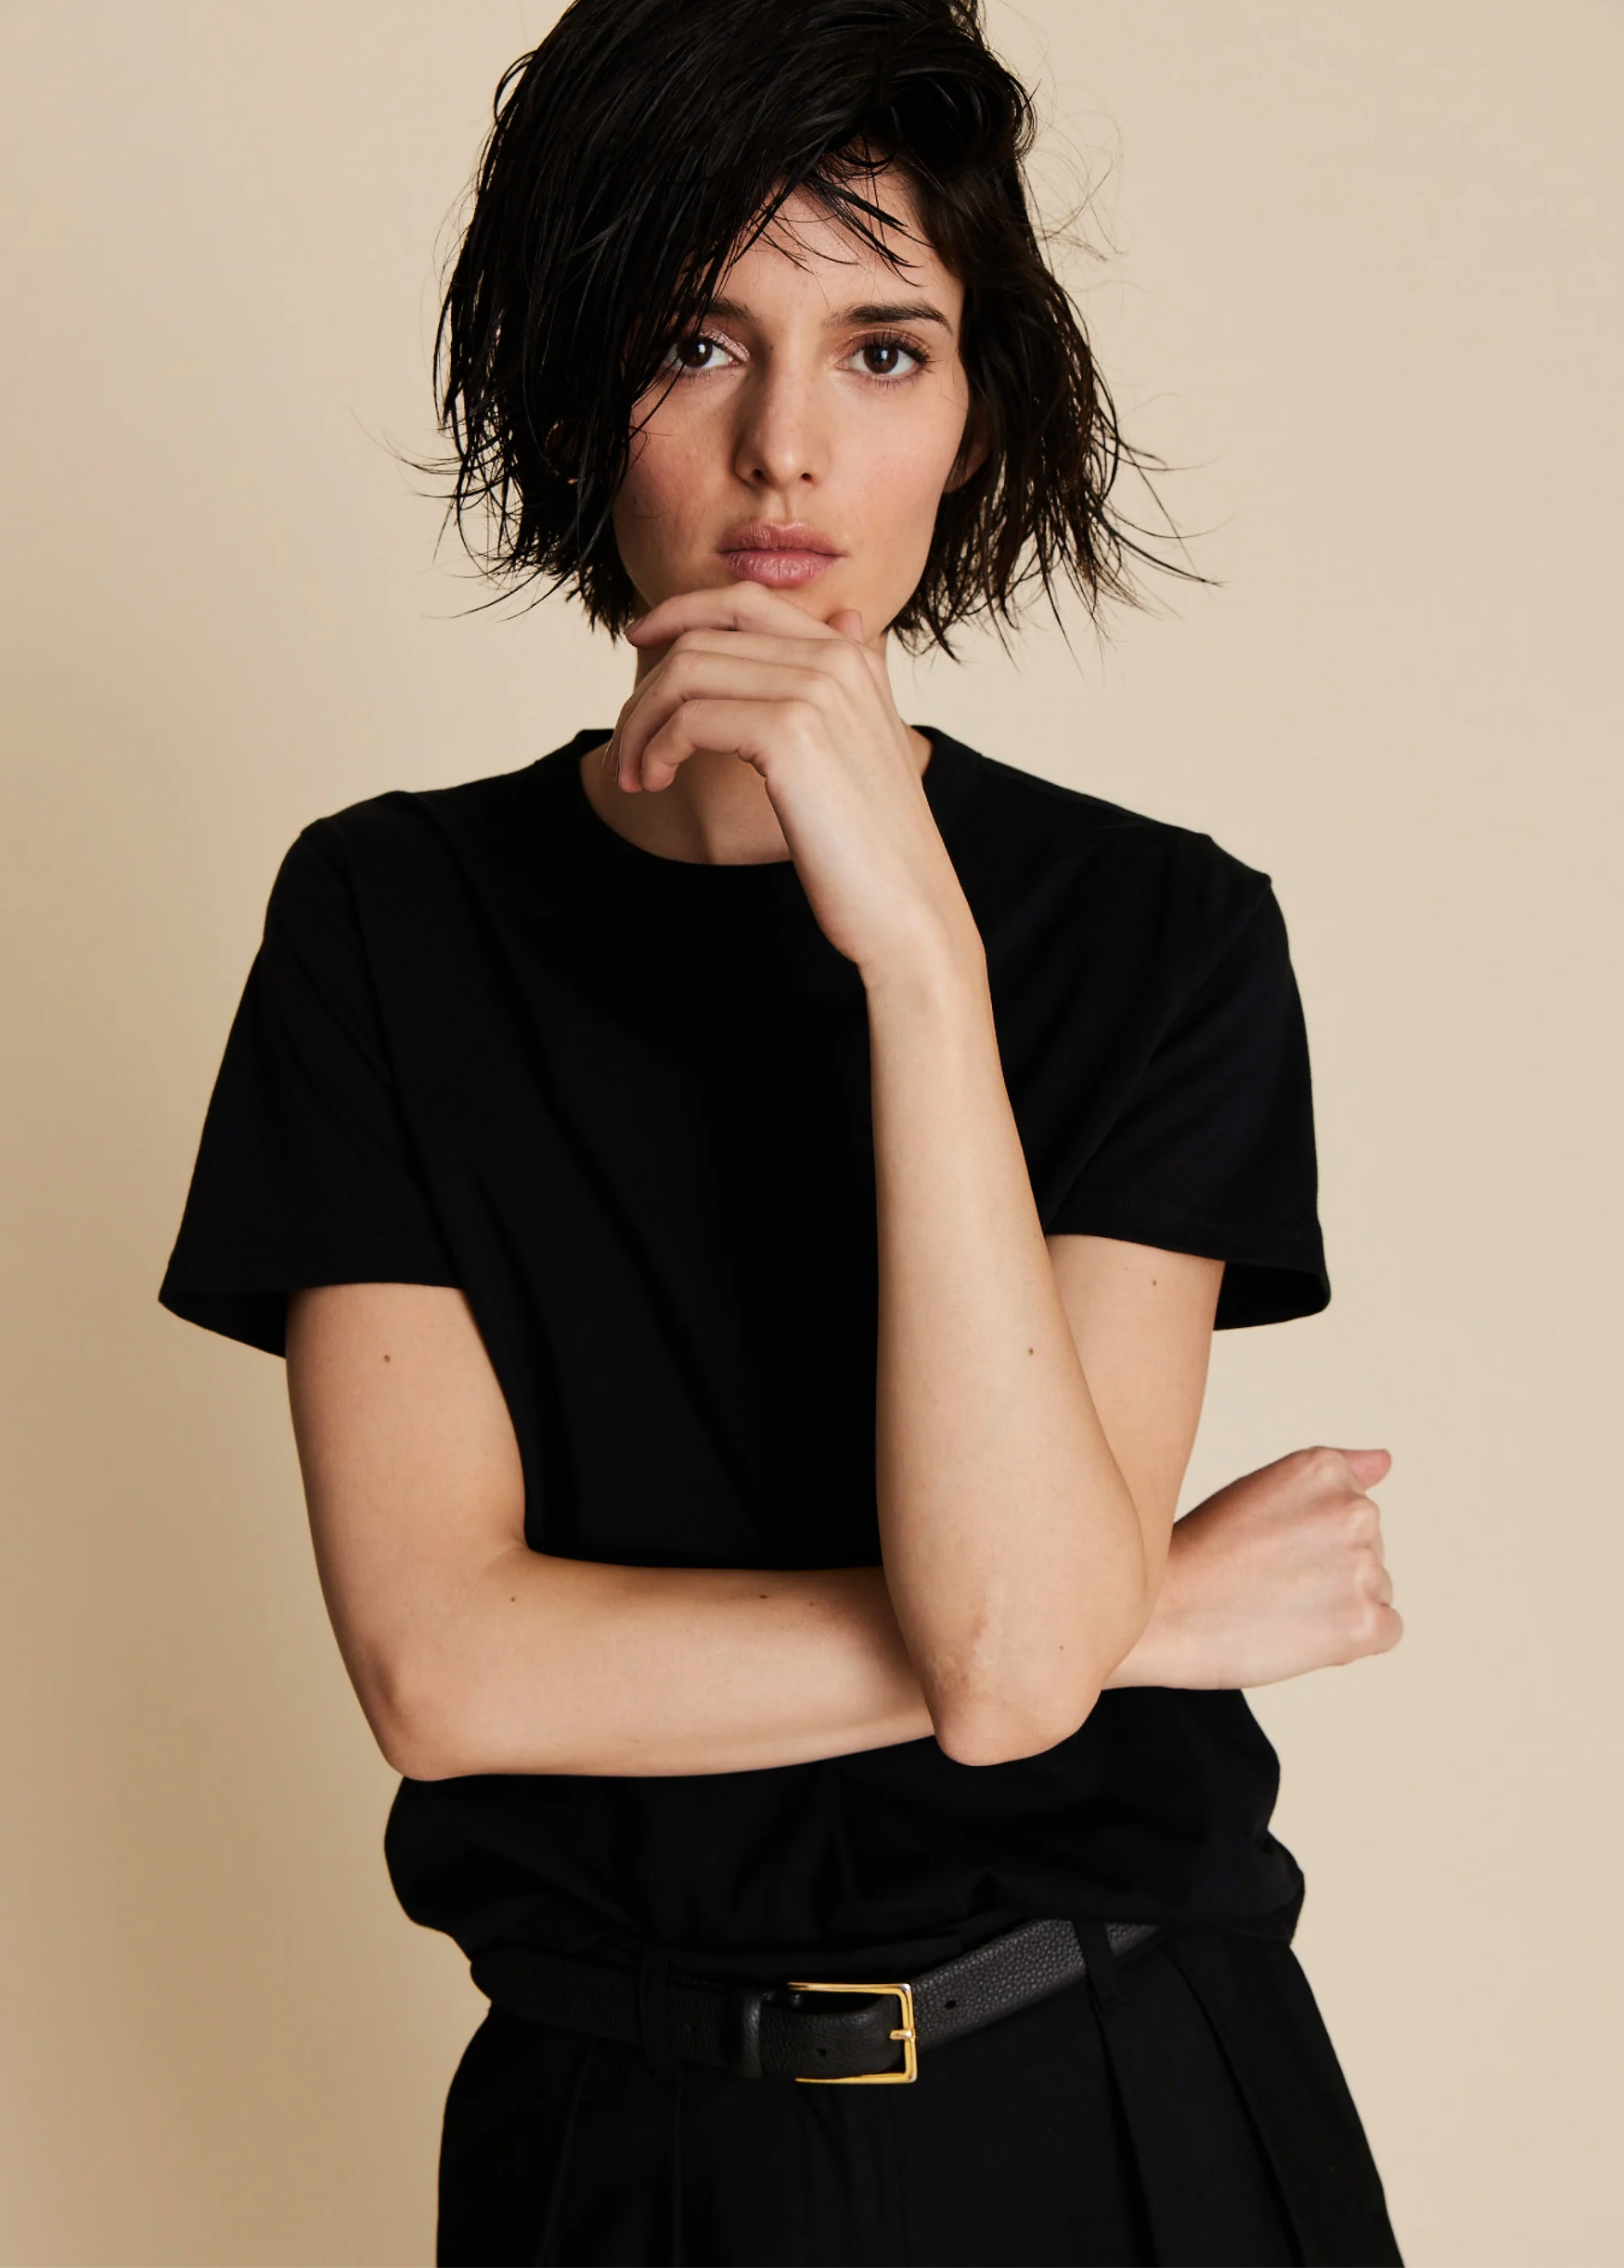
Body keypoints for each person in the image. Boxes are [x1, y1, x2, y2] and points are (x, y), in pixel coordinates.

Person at [159, 2, 1405, 2261]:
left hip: (1118, 2108)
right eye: (691, 342)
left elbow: (1011, 1661)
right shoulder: (388, 920)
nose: (785, 452)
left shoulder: (1156, 935)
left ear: (974, 410)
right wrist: (1134, 1615)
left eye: (881, 349)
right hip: (607, 2139)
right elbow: (447, 1676)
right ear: (574, 393)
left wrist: (918, 959)